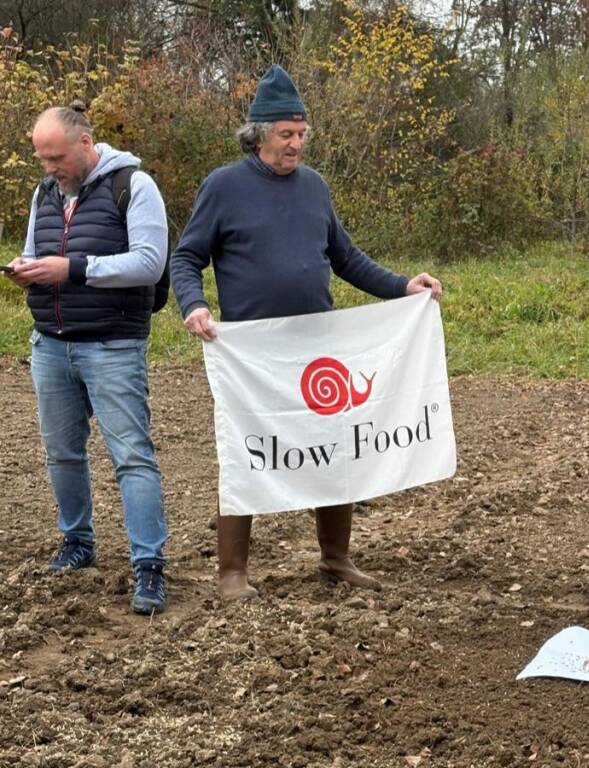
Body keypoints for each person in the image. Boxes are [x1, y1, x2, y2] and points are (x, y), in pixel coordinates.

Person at [170, 64, 443, 603]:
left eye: (301, 135)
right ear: (258, 135)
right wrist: (195, 305)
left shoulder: (315, 187)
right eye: (286, 135)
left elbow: (345, 258)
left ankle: (335, 558)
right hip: (252, 356)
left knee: (333, 446)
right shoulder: (223, 187)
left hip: (318, 347)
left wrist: (402, 287)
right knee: (248, 450)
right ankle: (231, 572)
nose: (296, 144)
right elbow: (186, 257)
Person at [4, 104, 170, 615]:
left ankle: (149, 567)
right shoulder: (44, 192)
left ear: (85, 143)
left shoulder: (135, 186)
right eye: (41, 158)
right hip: (50, 343)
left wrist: (71, 269)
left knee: (132, 457)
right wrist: (26, 268)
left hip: (113, 345)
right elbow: (38, 250)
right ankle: (77, 543)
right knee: (62, 454)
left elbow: (149, 262)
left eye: (55, 157)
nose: (48, 167)